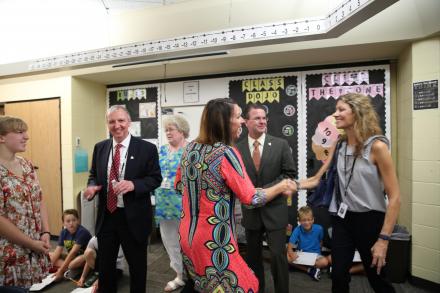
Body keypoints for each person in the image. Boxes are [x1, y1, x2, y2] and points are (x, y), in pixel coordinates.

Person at [175, 98, 297, 292]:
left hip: (186, 237)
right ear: (224, 121)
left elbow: (179, 186)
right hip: (215, 240)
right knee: (248, 286)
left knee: (204, 287)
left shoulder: (189, 149)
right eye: (238, 116)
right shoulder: (226, 153)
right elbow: (252, 198)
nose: (242, 121)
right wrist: (282, 185)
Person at [297, 93, 401, 293]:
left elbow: (395, 197)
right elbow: (317, 178)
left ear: (358, 112)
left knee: (376, 276)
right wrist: (291, 185)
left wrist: (383, 240)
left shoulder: (377, 147)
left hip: (370, 220)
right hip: (342, 220)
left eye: (341, 109)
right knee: (338, 275)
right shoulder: (339, 144)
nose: (335, 114)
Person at [84, 105, 162, 293]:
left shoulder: (147, 149)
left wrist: (134, 185)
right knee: (106, 268)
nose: (116, 125)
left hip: (133, 218)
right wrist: (92, 186)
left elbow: (155, 178)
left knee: (137, 267)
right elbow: (93, 174)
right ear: (107, 124)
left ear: (129, 123)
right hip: (108, 217)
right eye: (112, 121)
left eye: (121, 121)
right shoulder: (100, 147)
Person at [236, 103, 296, 293]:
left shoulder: (280, 145)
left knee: (278, 257)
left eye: (264, 118)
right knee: (253, 258)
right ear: (246, 122)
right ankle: (257, 289)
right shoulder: (236, 150)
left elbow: (289, 174)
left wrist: (262, 192)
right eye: (257, 118)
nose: (262, 121)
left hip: (275, 210)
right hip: (251, 213)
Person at [0, 116, 51, 289]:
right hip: (8, 256)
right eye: (20, 132)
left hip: (31, 251)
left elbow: (39, 198)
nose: (27, 136)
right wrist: (32, 244)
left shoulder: (26, 165)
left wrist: (46, 231)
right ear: (1, 137)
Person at [155, 115, 189, 292]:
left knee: (188, 243)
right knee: (170, 242)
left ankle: (194, 276)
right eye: (166, 129)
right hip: (164, 205)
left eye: (171, 129)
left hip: (185, 206)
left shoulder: (191, 150)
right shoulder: (161, 151)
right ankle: (179, 275)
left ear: (182, 131)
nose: (168, 132)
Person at [287, 206, 329, 281]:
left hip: (315, 255)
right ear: (299, 221)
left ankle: (305, 268)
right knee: (286, 257)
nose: (307, 222)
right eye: (304, 220)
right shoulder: (297, 230)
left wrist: (318, 253)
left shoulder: (319, 228)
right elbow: (289, 247)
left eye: (309, 220)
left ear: (313, 219)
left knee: (325, 262)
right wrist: (292, 254)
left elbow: (320, 241)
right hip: (301, 254)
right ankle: (309, 270)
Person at [50, 209, 92, 282]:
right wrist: (49, 267)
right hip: (73, 257)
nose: (71, 223)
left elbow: (73, 252)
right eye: (68, 221)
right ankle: (70, 269)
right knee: (50, 255)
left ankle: (74, 269)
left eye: (74, 220)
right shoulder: (63, 232)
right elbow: (58, 251)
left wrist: (60, 271)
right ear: (63, 223)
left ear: (78, 221)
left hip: (84, 257)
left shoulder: (82, 232)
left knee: (72, 264)